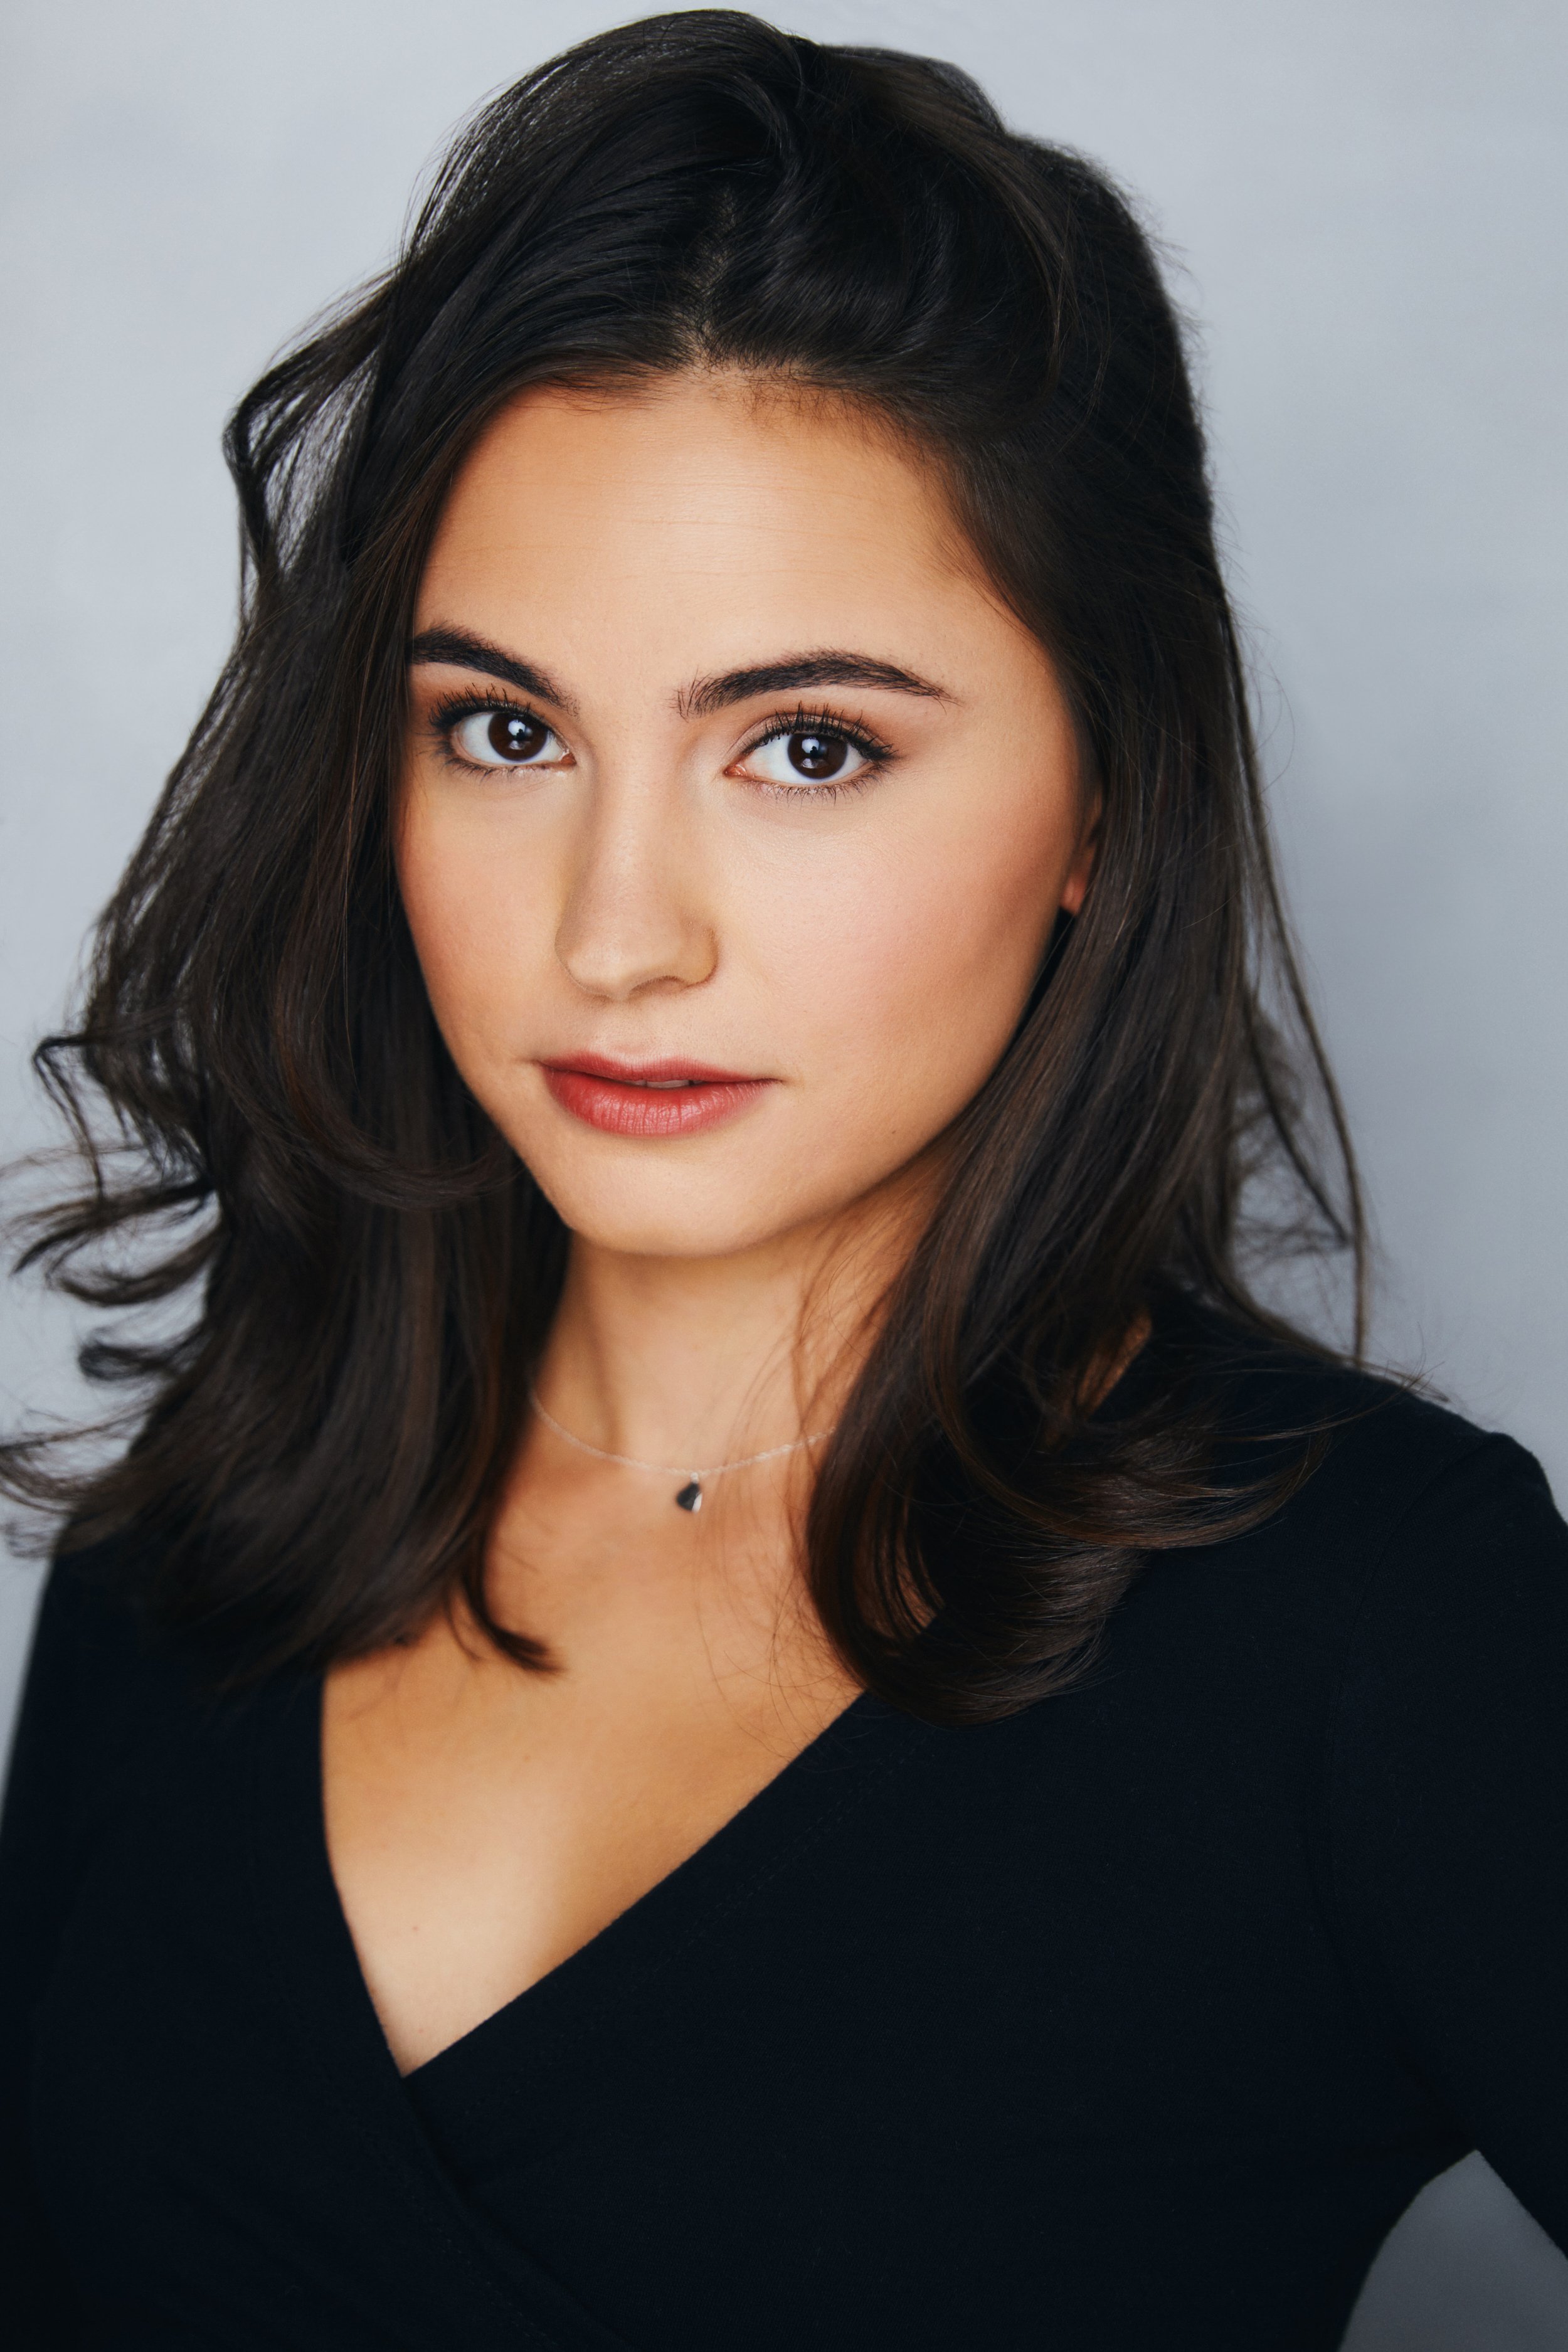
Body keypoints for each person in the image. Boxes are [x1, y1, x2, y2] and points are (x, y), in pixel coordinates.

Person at [1, 13, 1564, 2348]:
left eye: (806, 747)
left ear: (1105, 803)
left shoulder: (1382, 1631)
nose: (618, 933)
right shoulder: (186, 1556)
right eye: (502, 731)